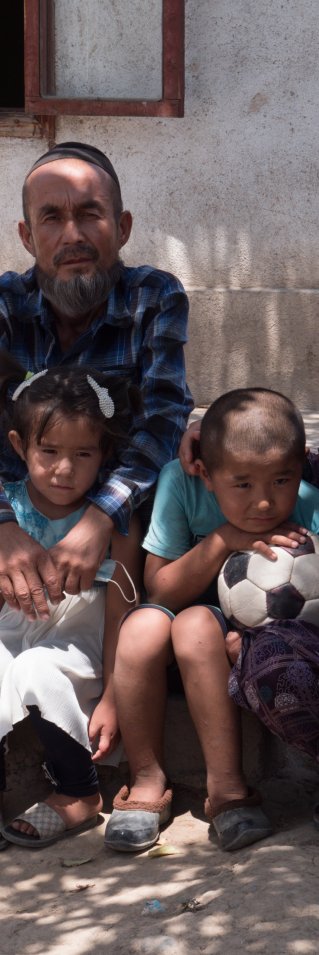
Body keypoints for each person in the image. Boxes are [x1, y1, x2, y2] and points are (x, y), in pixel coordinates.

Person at [0, 139, 193, 768]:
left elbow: (162, 423)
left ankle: (110, 721)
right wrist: (4, 524)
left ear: (122, 226)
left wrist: (98, 518)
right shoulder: (3, 306)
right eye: (53, 218)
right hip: (19, 518)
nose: (73, 233)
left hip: (115, 536)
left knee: (151, 510)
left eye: (91, 214)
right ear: (28, 236)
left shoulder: (153, 298)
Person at [104, 387, 319, 853]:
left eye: (280, 481)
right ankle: (145, 781)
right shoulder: (179, 484)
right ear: (205, 472)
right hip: (179, 631)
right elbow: (158, 588)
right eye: (242, 485)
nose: (264, 502)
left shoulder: (307, 502)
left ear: (300, 465)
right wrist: (222, 540)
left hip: (247, 646)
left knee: (198, 625)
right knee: (147, 626)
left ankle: (227, 792)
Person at [0, 355, 140, 849]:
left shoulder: (115, 523)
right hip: (10, 628)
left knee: (37, 670)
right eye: (49, 450)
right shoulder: (7, 511)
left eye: (83, 454)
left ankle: (79, 792)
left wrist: (114, 695)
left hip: (75, 643)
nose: (64, 469)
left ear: (104, 454)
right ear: (19, 446)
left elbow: (124, 609)